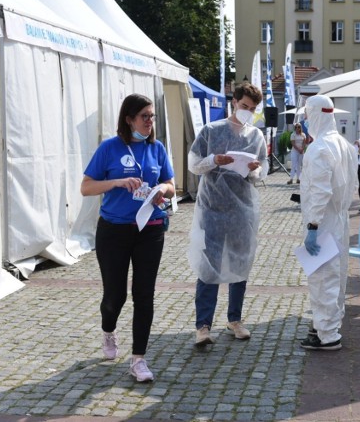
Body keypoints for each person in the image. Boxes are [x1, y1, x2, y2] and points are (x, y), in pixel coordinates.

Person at [81, 93, 176, 382]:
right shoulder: (110, 148)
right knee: (115, 296)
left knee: (144, 294)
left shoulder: (156, 148)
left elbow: (171, 184)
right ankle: (108, 331)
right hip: (113, 231)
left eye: (152, 116)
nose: (150, 122)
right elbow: (86, 188)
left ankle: (139, 360)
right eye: (144, 116)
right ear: (129, 119)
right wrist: (117, 182)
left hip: (150, 228)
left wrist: (162, 189)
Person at [187, 82, 268, 347]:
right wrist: (214, 161)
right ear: (234, 102)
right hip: (213, 207)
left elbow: (261, 173)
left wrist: (254, 168)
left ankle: (235, 319)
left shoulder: (256, 136)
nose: (248, 112)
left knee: (239, 263)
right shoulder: (212, 130)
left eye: (253, 109)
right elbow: (194, 166)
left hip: (241, 208)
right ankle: (203, 325)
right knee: (209, 266)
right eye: (245, 106)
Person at [299, 95, 358, 351]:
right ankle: (329, 324)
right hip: (339, 219)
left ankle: (327, 334)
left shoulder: (319, 148)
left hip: (323, 222)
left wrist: (312, 226)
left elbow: (320, 192)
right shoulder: (344, 145)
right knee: (336, 275)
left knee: (322, 277)